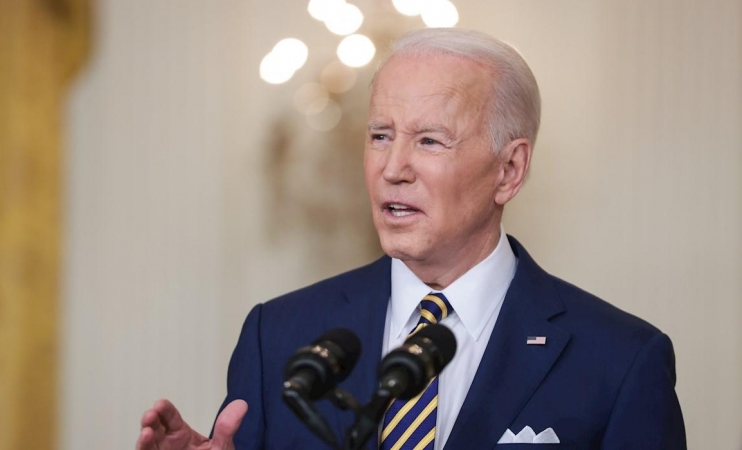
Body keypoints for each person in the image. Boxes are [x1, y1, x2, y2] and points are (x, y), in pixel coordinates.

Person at [136, 28, 686, 450]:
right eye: (380, 136)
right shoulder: (277, 336)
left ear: (509, 170)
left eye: (429, 140)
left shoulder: (619, 361)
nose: (393, 167)